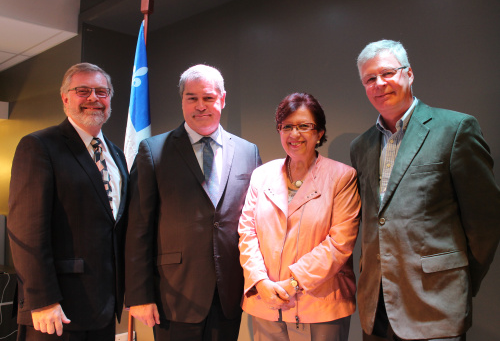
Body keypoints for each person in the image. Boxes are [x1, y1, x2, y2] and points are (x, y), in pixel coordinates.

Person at [350, 39, 500, 341]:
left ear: (409, 74)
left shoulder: (455, 129)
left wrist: (457, 279)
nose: (379, 83)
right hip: (376, 307)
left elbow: (485, 222)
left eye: (387, 73)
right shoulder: (361, 146)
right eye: (370, 79)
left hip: (436, 305)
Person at [125, 64, 262, 341]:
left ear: (222, 99)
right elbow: (138, 228)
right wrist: (139, 295)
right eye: (192, 98)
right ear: (182, 100)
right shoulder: (152, 151)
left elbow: (257, 222)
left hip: (229, 293)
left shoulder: (249, 151)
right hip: (174, 295)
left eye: (208, 98)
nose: (201, 106)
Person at [8, 63, 128, 340]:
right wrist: (42, 299)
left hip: (103, 305)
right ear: (65, 98)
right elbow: (26, 230)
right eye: (82, 91)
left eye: (101, 91)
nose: (93, 98)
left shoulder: (117, 155)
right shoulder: (39, 146)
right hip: (55, 309)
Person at [238, 92, 361, 341]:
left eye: (304, 126)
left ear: (319, 133)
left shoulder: (342, 177)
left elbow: (339, 243)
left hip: (322, 306)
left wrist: (293, 283)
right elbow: (247, 233)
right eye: (287, 127)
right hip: (266, 304)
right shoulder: (261, 175)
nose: (295, 134)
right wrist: (261, 282)